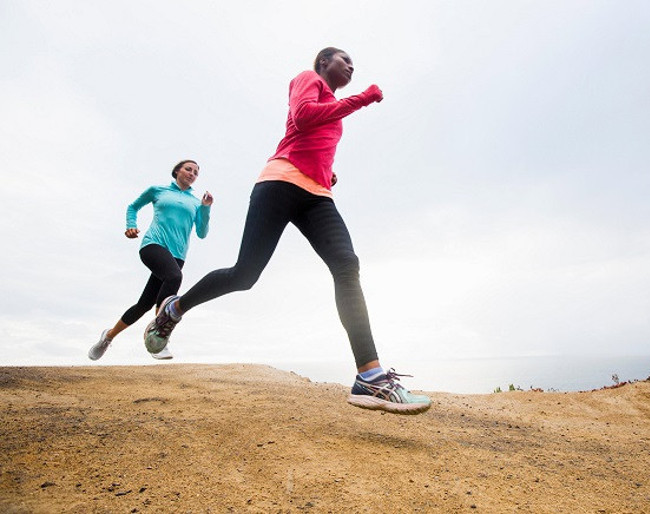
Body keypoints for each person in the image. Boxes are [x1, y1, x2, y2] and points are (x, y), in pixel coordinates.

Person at [143, 48, 431, 414]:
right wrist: (362, 99)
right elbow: (304, 117)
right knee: (245, 274)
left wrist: (326, 172)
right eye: (345, 60)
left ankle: (369, 378)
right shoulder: (307, 79)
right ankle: (175, 308)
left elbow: (313, 140)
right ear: (324, 63)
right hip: (278, 185)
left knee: (346, 265)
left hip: (317, 195)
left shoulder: (332, 102)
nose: (352, 66)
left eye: (354, 64)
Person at [89, 160, 213, 361]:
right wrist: (131, 224)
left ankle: (108, 337)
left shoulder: (196, 202)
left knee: (144, 304)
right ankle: (158, 334)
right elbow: (133, 207)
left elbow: (202, 233)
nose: (192, 174)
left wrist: (206, 208)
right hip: (153, 245)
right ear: (177, 171)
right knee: (174, 277)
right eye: (188, 169)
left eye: (196, 172)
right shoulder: (158, 190)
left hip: (178, 255)